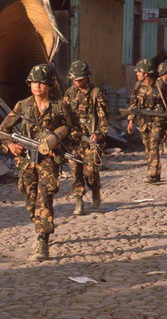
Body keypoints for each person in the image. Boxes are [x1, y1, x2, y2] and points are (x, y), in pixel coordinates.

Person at [0, 64, 72, 262]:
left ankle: (42, 238)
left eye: (42, 82)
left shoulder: (60, 106)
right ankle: (39, 222)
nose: (37, 86)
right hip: (27, 162)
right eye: (34, 82)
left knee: (45, 196)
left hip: (49, 160)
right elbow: (3, 130)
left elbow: (73, 130)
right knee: (31, 199)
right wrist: (11, 146)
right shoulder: (22, 106)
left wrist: (58, 142)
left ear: (49, 85)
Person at [63, 60, 108, 215]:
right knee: (75, 172)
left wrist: (99, 134)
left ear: (87, 77)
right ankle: (78, 201)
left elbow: (103, 119)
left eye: (79, 80)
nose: (76, 82)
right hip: (74, 141)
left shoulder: (96, 93)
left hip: (90, 140)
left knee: (91, 172)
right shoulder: (69, 93)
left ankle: (95, 190)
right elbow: (63, 116)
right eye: (74, 80)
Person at [127, 59, 167, 183]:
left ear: (145, 73)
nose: (136, 74)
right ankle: (155, 171)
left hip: (158, 121)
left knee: (154, 144)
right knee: (147, 147)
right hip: (144, 122)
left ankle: (153, 173)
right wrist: (130, 121)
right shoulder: (137, 86)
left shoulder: (160, 86)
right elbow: (133, 104)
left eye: (138, 72)